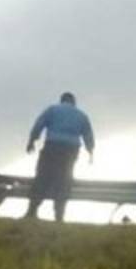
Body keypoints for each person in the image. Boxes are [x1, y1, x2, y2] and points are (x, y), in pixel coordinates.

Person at [24, 92, 95, 222]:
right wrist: (90, 152)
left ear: (61, 100)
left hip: (52, 147)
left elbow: (39, 124)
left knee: (42, 177)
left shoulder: (52, 110)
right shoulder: (81, 115)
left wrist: (32, 141)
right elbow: (88, 135)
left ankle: (31, 211)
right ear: (74, 102)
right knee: (64, 180)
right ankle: (59, 215)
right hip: (70, 151)